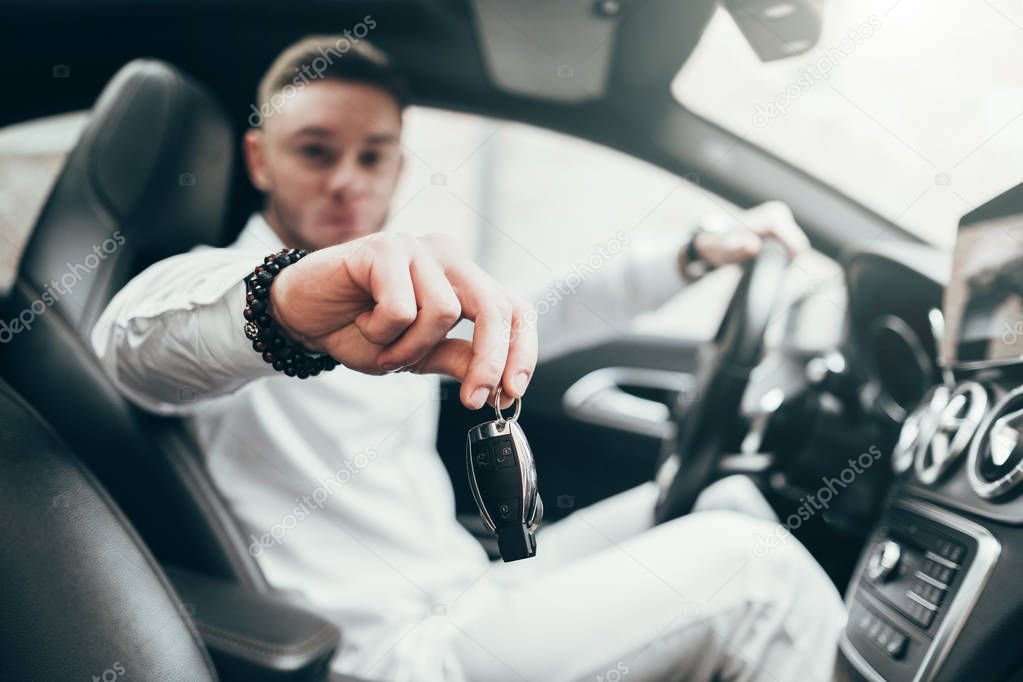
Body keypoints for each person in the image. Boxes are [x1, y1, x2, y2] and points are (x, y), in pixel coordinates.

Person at [92, 35, 846, 682]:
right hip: (394, 656)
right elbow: (134, 347)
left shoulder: (393, 290)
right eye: (315, 151)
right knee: (760, 575)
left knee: (728, 503)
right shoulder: (226, 282)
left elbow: (549, 306)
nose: (346, 180)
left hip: (469, 592)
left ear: (397, 166)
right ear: (259, 159)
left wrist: (691, 253)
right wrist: (282, 308)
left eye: (372, 156)